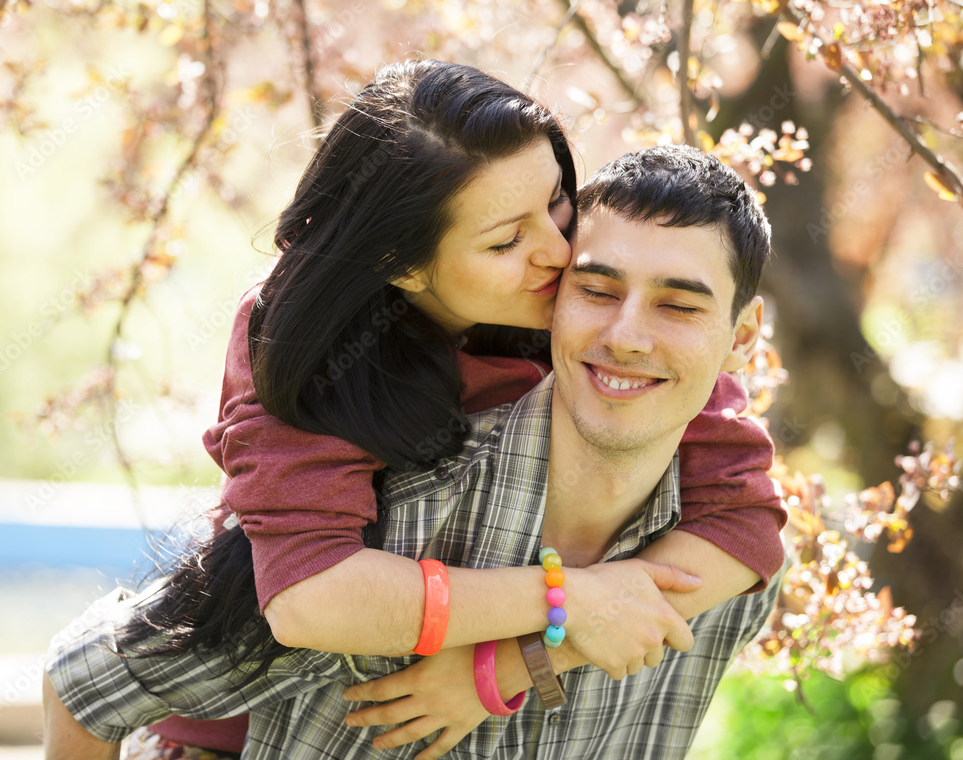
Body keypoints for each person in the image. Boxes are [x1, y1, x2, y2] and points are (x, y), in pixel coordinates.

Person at [46, 58, 785, 756]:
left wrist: (503, 665)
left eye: (556, 200)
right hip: (236, 718)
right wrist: (564, 598)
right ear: (403, 264)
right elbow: (309, 598)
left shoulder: (610, 324)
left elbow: (748, 519)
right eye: (506, 241)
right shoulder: (314, 361)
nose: (560, 254)